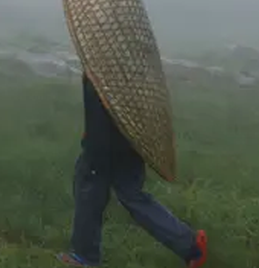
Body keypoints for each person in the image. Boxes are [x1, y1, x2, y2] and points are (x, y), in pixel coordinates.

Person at [57, 75, 208, 267]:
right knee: (132, 195)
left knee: (89, 187)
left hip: (105, 141)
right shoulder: (132, 70)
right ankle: (190, 245)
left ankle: (84, 256)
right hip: (132, 138)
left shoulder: (102, 67)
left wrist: (93, 141)